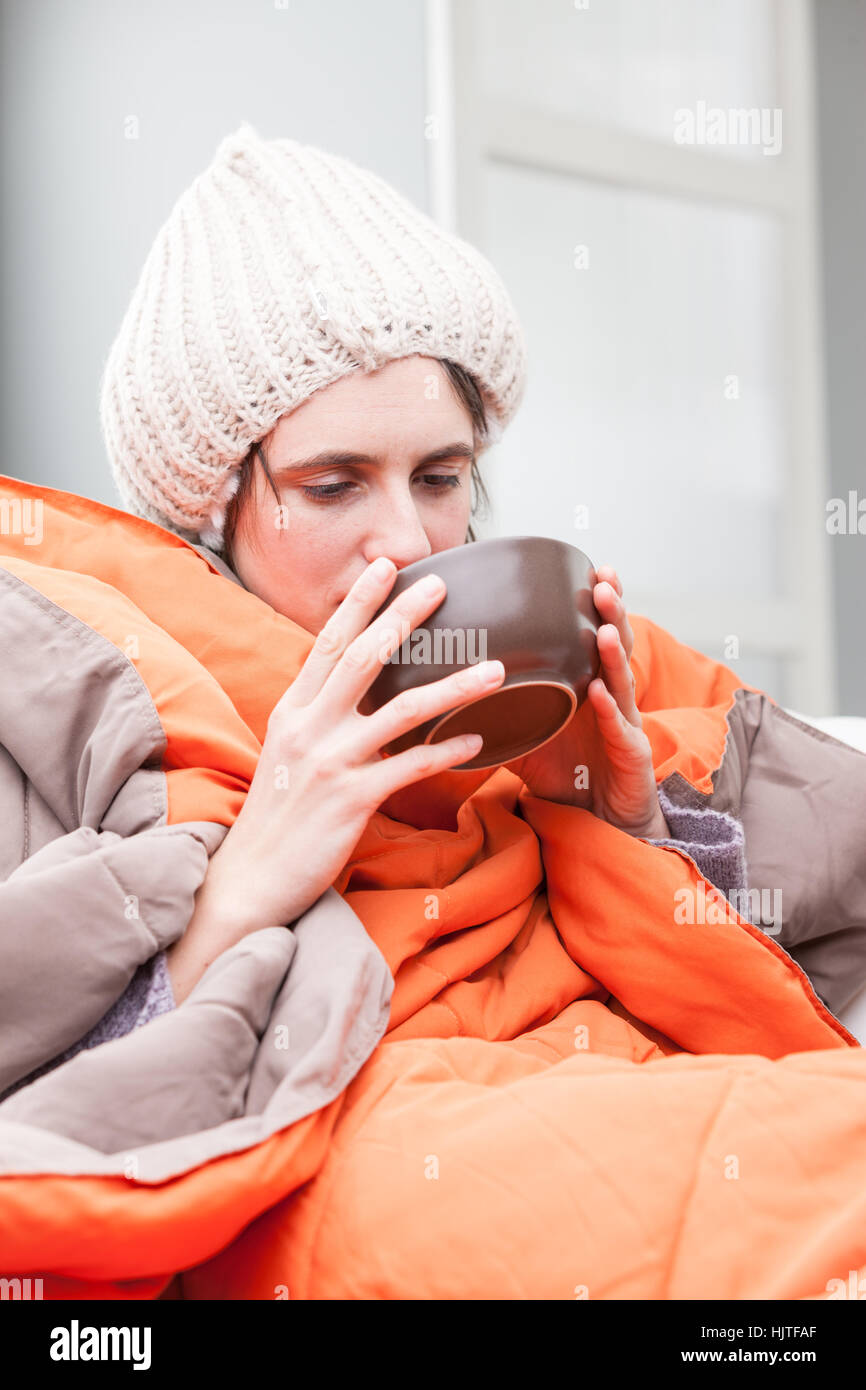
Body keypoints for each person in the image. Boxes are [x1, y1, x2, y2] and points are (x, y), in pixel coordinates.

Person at [5, 123, 748, 1096]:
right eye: (330, 486)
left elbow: (732, 1023)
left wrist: (615, 831)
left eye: (439, 477)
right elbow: (53, 1120)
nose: (405, 540)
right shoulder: (79, 717)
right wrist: (249, 877)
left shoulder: (522, 723)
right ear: (211, 507)